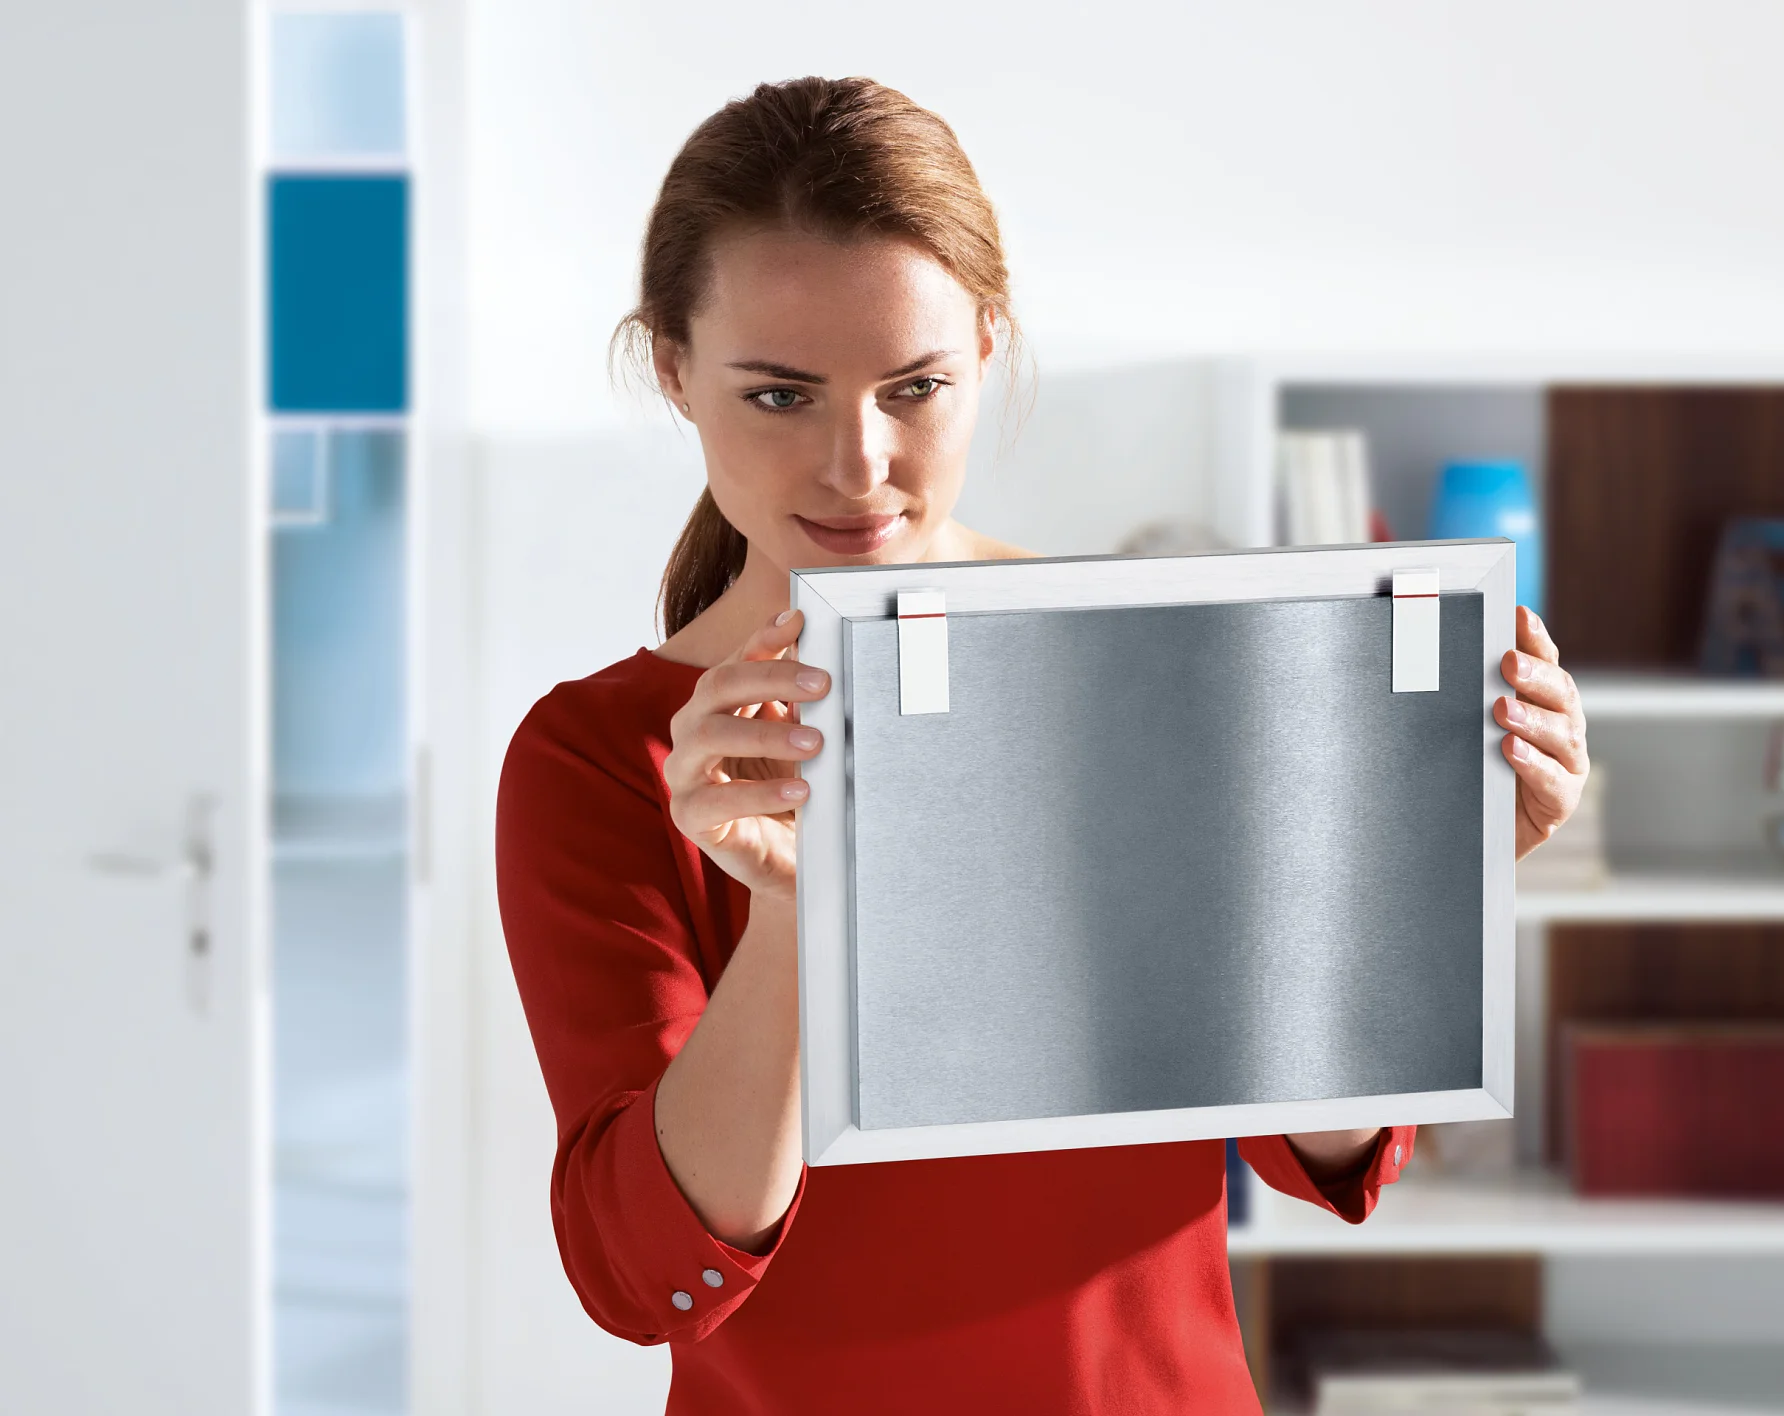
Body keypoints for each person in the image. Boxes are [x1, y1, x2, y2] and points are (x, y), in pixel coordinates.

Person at [496, 76, 1590, 1414]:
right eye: (781, 396)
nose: (858, 462)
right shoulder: (601, 758)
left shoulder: (1135, 664)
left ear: (990, 348)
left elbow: (1332, 1147)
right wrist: (792, 924)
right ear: (671, 366)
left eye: (917, 387)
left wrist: (1427, 864)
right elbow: (643, 1269)